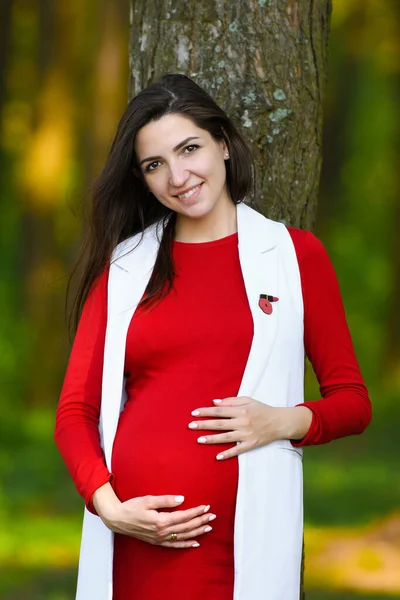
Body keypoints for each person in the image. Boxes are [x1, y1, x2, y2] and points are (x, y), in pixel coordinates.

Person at [54, 73, 372, 600]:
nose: (177, 176)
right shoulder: (126, 266)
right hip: (134, 544)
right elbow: (74, 413)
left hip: (243, 546)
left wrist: (279, 421)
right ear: (142, 178)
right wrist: (111, 508)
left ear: (223, 144)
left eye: (189, 148)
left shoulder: (293, 256)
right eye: (155, 165)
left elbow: (354, 403)